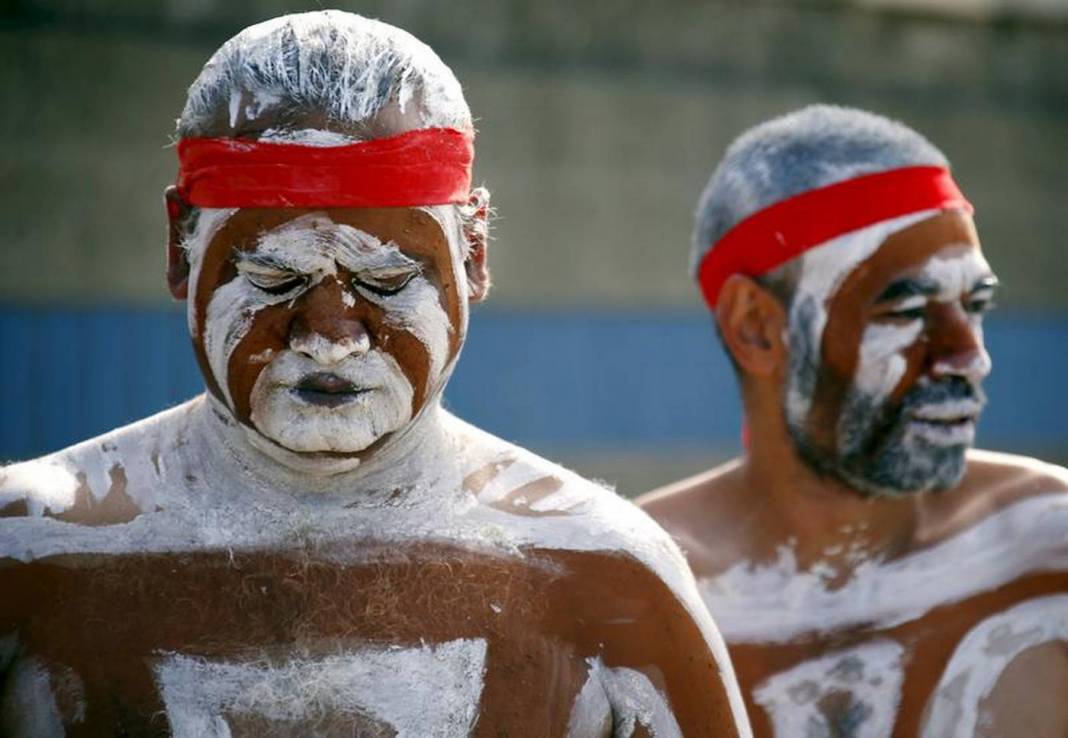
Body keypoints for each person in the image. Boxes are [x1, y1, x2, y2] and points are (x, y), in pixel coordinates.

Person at [0, 12, 750, 736]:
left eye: (389, 281)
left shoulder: (604, 576)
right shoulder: (28, 554)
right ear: (179, 250)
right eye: (271, 277)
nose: (330, 336)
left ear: (475, 256)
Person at [639, 105, 1068, 738]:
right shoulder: (636, 594)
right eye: (907, 311)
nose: (969, 355)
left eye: (974, 306)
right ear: (756, 327)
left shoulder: (1046, 547)